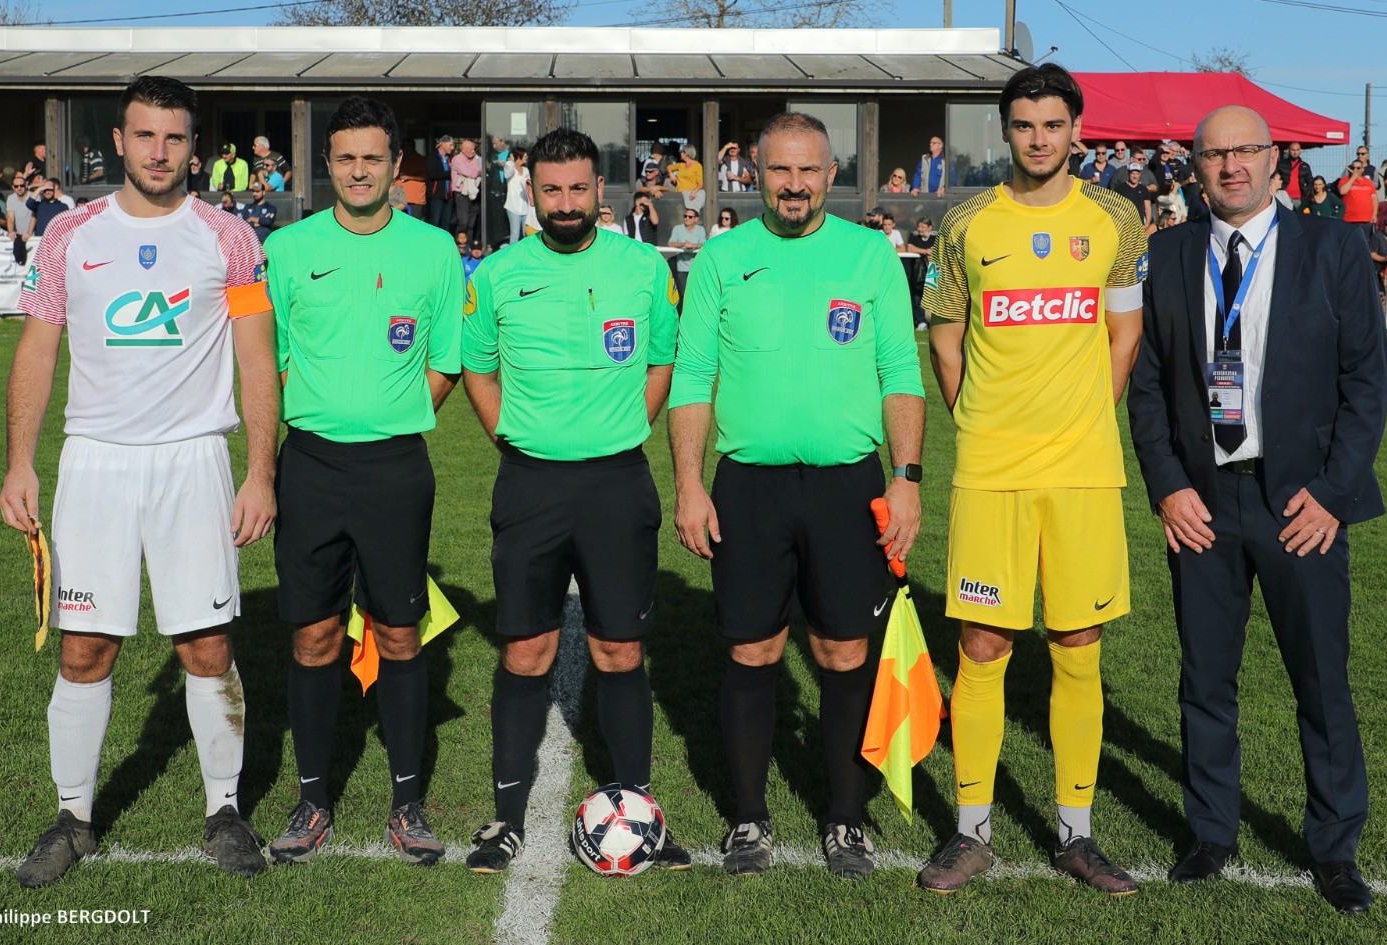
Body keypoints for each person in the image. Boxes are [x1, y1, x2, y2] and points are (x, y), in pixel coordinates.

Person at [0, 74, 277, 889]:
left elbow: (257, 358)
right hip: (96, 462)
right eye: (145, 136)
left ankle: (224, 810)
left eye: (175, 137)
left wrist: (260, 471)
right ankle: (73, 817)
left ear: (195, 147)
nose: (160, 152)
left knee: (207, 643)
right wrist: (20, 460)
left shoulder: (229, 238)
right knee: (85, 646)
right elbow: (37, 349)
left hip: (194, 460)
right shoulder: (67, 234)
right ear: (118, 141)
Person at [1126, 104, 1387, 916]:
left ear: (1276, 160)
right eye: (1214, 154)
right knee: (1205, 679)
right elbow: (1146, 384)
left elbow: (1366, 382)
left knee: (1321, 681)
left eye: (1245, 150)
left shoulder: (1332, 248)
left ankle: (1334, 846)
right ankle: (1210, 833)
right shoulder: (1170, 253)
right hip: (1203, 504)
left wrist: (1334, 494)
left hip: (1300, 503)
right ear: (1194, 168)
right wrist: (1168, 485)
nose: (1231, 165)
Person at [668, 110, 925, 881]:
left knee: (844, 650)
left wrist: (906, 478)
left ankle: (845, 818)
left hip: (849, 485)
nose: (794, 184)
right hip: (749, 486)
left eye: (808, 169)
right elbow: (692, 376)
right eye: (779, 169)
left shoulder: (868, 255)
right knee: (753, 649)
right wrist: (689, 483)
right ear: (755, 174)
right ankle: (749, 817)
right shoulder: (722, 258)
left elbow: (900, 372)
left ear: (831, 174)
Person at [918, 63, 1147, 897]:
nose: (1039, 139)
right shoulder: (965, 222)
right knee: (982, 645)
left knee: (1079, 644)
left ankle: (1076, 835)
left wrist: (1084, 416)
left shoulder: (1117, 217)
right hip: (992, 470)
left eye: (1053, 124)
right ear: (1005, 130)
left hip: (1083, 470)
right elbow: (945, 338)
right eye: (1024, 125)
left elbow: (1125, 332)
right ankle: (971, 830)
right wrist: (979, 423)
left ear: (1076, 130)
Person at [458, 126, 690, 875]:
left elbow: (662, 360)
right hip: (530, 483)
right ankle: (506, 818)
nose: (565, 203)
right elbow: (477, 368)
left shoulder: (643, 268)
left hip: (616, 482)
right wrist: (511, 437)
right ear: (531, 193)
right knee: (527, 651)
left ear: (600, 190)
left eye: (578, 189)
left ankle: (640, 810)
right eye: (550, 190)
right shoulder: (498, 273)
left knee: (619, 648)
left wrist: (625, 430)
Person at [262, 95, 463, 866]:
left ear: (395, 163)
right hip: (310, 465)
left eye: (372, 157)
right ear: (327, 164)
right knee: (314, 633)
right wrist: (325, 416)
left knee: (399, 630)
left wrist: (389, 414)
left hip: (395, 468)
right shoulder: (287, 248)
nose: (358, 171)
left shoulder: (434, 250)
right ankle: (313, 798)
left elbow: (445, 363)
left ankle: (407, 802)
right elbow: (272, 362)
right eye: (345, 157)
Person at [666, 206, 706, 304]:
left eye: (690, 217)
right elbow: (671, 243)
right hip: (682, 267)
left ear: (696, 219)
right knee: (683, 294)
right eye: (685, 216)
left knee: (696, 294)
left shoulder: (700, 229)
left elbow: (704, 244)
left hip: (696, 267)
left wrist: (693, 245)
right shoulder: (677, 228)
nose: (687, 218)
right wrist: (683, 244)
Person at [1338, 155, 1380, 237]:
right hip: (1349, 219)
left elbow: (1374, 199)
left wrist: (1374, 214)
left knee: (1365, 240)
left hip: (1366, 219)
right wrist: (1353, 178)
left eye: (1358, 168)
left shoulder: (1368, 182)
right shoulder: (1345, 180)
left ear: (1362, 169)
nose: (1355, 170)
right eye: (1353, 168)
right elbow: (1342, 191)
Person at [906, 216, 934, 330]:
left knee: (933, 296)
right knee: (917, 296)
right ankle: (921, 321)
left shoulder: (935, 237)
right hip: (918, 273)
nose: (920, 229)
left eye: (923, 227)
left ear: (930, 228)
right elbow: (910, 248)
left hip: (933, 272)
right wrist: (926, 251)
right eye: (919, 226)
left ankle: (934, 321)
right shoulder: (914, 236)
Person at [451, 138, 483, 238]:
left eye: (474, 149)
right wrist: (476, 173)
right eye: (471, 149)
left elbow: (478, 170)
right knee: (463, 221)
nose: (473, 151)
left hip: (473, 192)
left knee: (471, 222)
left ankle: (468, 244)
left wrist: (475, 173)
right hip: (461, 193)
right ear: (463, 150)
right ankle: (458, 243)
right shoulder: (457, 159)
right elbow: (469, 172)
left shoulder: (474, 159)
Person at [501, 146, 530, 244]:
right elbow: (508, 173)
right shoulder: (510, 167)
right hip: (513, 206)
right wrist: (511, 160)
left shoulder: (526, 170)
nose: (526, 158)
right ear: (519, 156)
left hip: (525, 207)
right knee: (515, 234)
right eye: (525, 156)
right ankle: (513, 253)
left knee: (526, 233)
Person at [426, 134, 455, 231]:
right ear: (443, 144)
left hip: (449, 195)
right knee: (435, 222)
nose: (452, 148)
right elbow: (432, 174)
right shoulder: (432, 157)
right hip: (436, 195)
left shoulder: (450, 158)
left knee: (446, 222)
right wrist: (450, 173)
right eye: (451, 145)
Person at [1276, 141, 1314, 209]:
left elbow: (1310, 182)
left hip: (1300, 199)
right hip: (1284, 197)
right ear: (1289, 150)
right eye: (1293, 150)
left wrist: (1307, 194)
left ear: (1300, 150)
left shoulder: (1305, 166)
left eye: (1297, 150)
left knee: (1300, 215)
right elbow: (1274, 179)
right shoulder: (1281, 164)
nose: (1295, 152)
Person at [668, 144, 705, 211]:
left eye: (681, 152)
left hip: (690, 196)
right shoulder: (681, 165)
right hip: (679, 196)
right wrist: (671, 174)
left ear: (686, 154)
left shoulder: (697, 166)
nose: (680, 153)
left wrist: (694, 192)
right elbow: (669, 167)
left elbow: (700, 184)